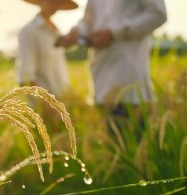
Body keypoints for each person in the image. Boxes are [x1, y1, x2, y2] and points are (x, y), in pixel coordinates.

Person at [58, 0, 167, 140]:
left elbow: (158, 14)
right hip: (101, 81)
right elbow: (89, 19)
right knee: (113, 148)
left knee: (137, 148)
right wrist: (78, 31)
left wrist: (115, 32)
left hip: (130, 83)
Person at [17, 0, 78, 130]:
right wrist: (47, 107)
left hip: (65, 105)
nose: (55, 5)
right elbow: (26, 78)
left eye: (58, 2)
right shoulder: (29, 31)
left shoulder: (57, 32)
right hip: (46, 111)